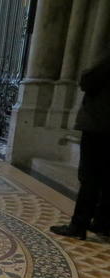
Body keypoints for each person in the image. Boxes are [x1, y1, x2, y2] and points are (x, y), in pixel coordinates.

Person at [50, 52, 110, 240]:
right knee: (106, 178)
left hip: (99, 126)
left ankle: (78, 225)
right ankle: (102, 223)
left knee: (89, 177)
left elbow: (88, 81)